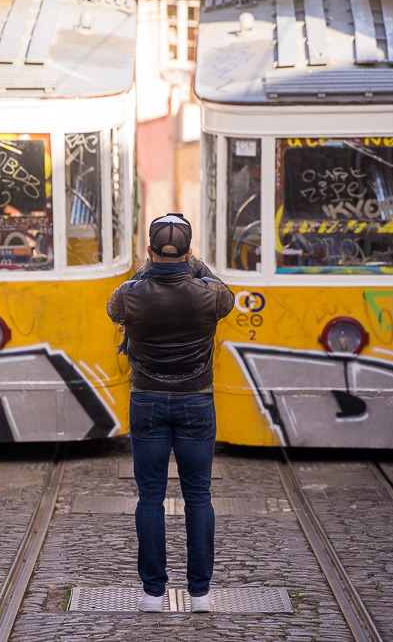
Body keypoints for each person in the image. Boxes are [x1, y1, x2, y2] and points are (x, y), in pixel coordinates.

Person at [107, 213, 235, 613]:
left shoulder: (130, 294)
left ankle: (152, 594)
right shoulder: (209, 295)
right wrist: (195, 266)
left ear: (149, 250)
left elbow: (114, 310)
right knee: (199, 496)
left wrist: (150, 268)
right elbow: (226, 295)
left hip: (146, 401)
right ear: (189, 252)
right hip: (196, 401)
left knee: (150, 498)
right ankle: (200, 595)